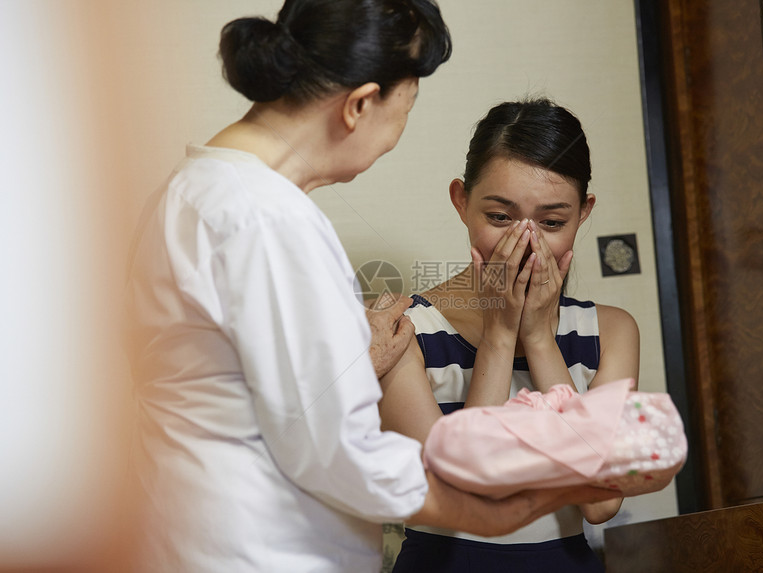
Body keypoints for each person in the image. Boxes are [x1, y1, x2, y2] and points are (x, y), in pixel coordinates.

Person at [124, 3, 618, 571]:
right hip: (259, 550)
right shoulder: (267, 220)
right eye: (406, 106)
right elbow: (332, 449)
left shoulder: (189, 192)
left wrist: (353, 361)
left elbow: (233, 391)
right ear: (360, 104)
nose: (394, 139)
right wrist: (488, 509)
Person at [378, 98, 641, 572]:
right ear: (462, 202)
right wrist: (500, 337)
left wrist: (539, 340)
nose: (525, 243)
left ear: (583, 214)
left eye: (552, 222)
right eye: (500, 218)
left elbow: (602, 503)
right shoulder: (402, 333)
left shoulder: (610, 332)